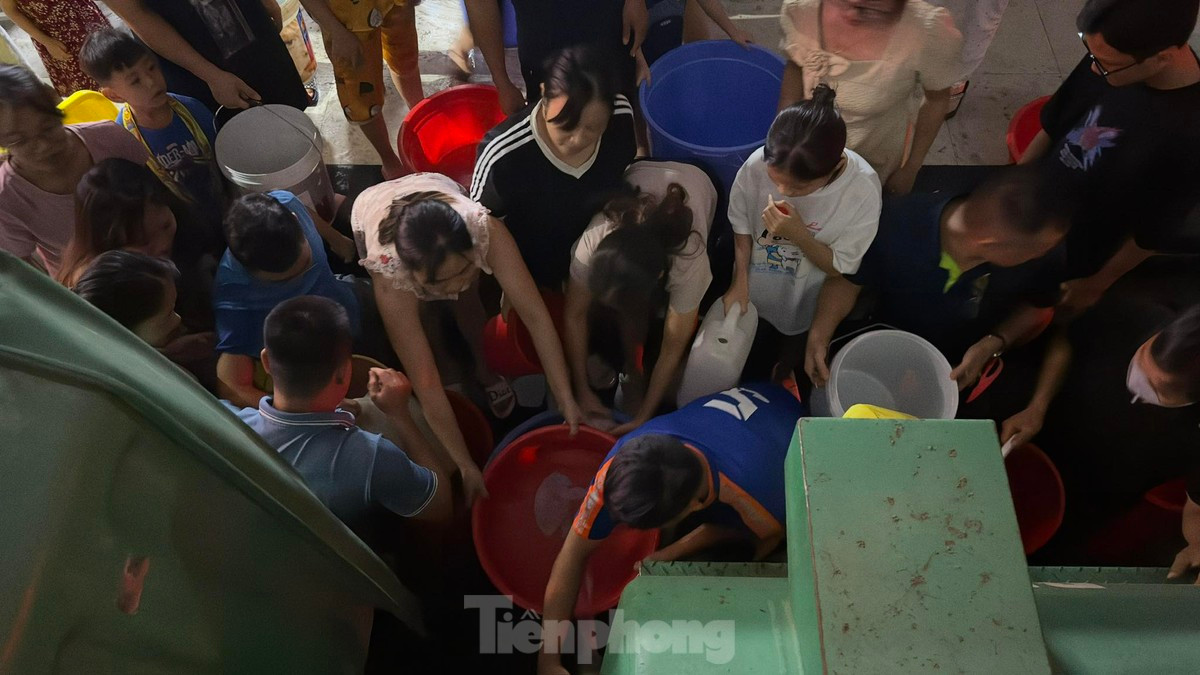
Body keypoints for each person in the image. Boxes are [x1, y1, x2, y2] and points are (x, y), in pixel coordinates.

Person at [353, 172, 583, 506]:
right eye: (442, 281)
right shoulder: (390, 274)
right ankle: (438, 311)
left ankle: (485, 372)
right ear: (411, 272)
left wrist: (565, 397)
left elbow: (536, 317)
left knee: (468, 302)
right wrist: (464, 464)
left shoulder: (483, 230)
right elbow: (426, 380)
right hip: (373, 208)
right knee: (424, 326)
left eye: (465, 269)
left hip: (431, 191)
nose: (456, 283)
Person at [539, 383, 803, 675]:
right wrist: (548, 660)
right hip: (759, 398)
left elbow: (759, 542)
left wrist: (673, 553)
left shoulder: (761, 500)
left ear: (693, 507)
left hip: (785, 440)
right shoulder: (626, 460)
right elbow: (571, 556)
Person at [804, 165, 1074, 392]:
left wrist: (994, 342)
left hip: (961, 360)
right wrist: (820, 333)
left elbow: (1039, 307)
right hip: (887, 336)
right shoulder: (895, 223)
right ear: (991, 244)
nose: (1047, 253)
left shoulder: (1042, 254)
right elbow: (848, 278)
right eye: (1036, 250)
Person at [1018, 0, 1200, 316]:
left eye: (1105, 64)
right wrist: (1015, 184)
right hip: (1038, 204)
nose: (1093, 68)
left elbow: (1152, 233)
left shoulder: (1188, 134)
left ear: (1162, 58)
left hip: (1086, 246)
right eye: (1089, 50)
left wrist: (1095, 283)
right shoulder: (1107, 54)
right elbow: (1056, 119)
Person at [223, 295, 452, 542]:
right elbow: (440, 507)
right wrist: (401, 414)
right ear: (344, 371)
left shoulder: (225, 419)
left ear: (266, 361)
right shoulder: (369, 456)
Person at [999, 297, 1200, 568]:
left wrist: (1196, 544)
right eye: (1142, 357)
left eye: (1157, 387)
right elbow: (1067, 339)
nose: (1138, 379)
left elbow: (1196, 506)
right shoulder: (1136, 316)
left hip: (1094, 494)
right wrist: (1038, 406)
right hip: (1045, 429)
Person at [723, 85, 881, 381]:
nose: (783, 192)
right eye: (775, 181)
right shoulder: (757, 164)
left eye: (798, 188)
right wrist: (740, 279)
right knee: (750, 333)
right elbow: (741, 222)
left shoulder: (862, 191)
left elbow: (841, 269)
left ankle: (783, 372)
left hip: (805, 293)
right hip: (754, 280)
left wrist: (799, 234)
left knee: (793, 336)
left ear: (833, 167)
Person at [564, 161, 716, 433]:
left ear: (658, 278)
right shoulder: (596, 236)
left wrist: (644, 414)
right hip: (644, 166)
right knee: (600, 313)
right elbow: (574, 315)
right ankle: (624, 370)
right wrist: (581, 388)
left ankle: (635, 375)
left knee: (654, 335)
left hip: (700, 175)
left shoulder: (690, 257)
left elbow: (672, 348)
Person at [471, 46, 638, 289]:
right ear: (543, 94)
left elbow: (623, 174)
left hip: (597, 257)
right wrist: (514, 287)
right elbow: (483, 226)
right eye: (566, 126)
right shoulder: (503, 156)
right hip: (533, 266)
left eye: (592, 128)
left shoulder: (620, 118)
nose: (578, 140)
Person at [778, 0, 963, 194]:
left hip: (873, 153)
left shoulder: (926, 32)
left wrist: (910, 168)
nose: (851, 15)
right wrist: (785, 134)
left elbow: (936, 99)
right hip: (810, 146)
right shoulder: (800, 9)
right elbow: (795, 64)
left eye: (870, 9)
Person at [78, 27, 229, 248]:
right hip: (183, 232)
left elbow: (225, 157)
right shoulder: (123, 140)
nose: (151, 82)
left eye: (151, 68)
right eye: (135, 81)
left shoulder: (192, 109)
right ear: (115, 95)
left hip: (226, 206)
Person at [213, 191, 360, 407]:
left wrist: (336, 239)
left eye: (306, 263)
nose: (304, 276)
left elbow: (302, 207)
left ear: (294, 218)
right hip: (312, 356)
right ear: (248, 271)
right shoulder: (234, 299)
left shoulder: (286, 202)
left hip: (346, 307)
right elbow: (231, 386)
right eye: (288, 281)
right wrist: (317, 409)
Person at [0, 65, 149, 276]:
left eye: (48, 128)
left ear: (56, 105)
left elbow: (157, 195)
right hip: (97, 286)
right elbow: (26, 275)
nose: (43, 146)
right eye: (19, 141)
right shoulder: (6, 200)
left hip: (158, 248)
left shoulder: (110, 137)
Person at [102, 0, 307, 112]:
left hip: (244, 14)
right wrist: (211, 75)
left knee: (284, 98)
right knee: (238, 134)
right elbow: (139, 16)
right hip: (190, 48)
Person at [298, 0, 422, 179]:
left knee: (405, 59)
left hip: (395, 4)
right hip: (346, 20)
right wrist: (335, 30)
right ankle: (389, 161)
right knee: (362, 94)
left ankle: (421, 118)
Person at [464, 0, 648, 115]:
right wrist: (502, 81)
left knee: (618, 115)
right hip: (545, 40)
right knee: (558, 127)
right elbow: (480, 3)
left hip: (609, 27)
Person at [73, 250, 217, 373]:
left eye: (174, 308)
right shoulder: (163, 378)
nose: (178, 319)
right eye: (168, 316)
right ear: (123, 332)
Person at [56, 158, 179, 288]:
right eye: (144, 241)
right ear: (107, 244)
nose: (163, 245)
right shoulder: (100, 287)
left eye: (165, 226)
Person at [0, 0, 110, 95]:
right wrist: (46, 41)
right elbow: (11, 10)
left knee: (113, 65)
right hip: (58, 38)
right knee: (86, 88)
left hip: (86, 16)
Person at [640, 0, 753, 65]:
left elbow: (707, 2)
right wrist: (639, 61)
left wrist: (734, 32)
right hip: (638, 43)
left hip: (669, 35)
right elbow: (627, 30)